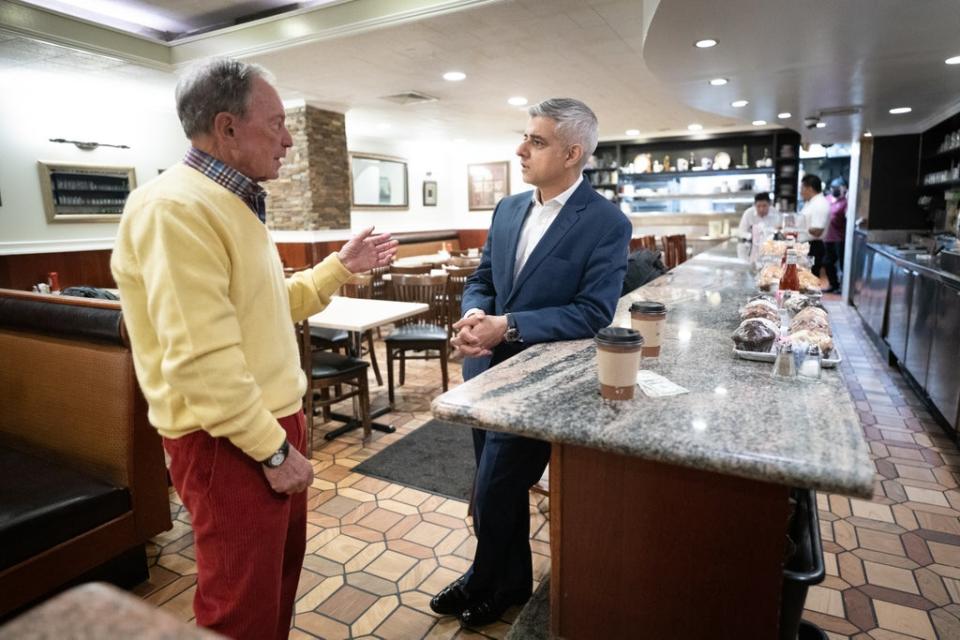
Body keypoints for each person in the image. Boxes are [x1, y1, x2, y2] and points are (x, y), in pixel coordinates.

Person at [110, 58, 397, 640]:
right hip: (228, 440)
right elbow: (200, 361)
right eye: (276, 122)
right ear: (227, 127)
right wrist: (271, 451)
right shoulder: (176, 208)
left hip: (261, 425)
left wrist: (339, 266)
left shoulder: (230, 201)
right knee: (240, 605)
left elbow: (267, 305)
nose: (289, 138)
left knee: (274, 588)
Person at [429, 98, 632, 628]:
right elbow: (485, 279)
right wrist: (476, 312)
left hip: (542, 384)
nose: (520, 149)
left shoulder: (607, 223)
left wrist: (509, 325)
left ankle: (483, 576)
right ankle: (512, 578)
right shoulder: (507, 209)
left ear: (572, 152)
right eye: (524, 136)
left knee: (494, 486)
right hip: (484, 372)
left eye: (536, 141)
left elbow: (592, 313)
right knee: (497, 484)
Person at [800, 174, 830, 280]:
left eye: (802, 188)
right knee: (804, 279)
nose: (801, 192)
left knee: (809, 280)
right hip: (807, 246)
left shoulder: (820, 203)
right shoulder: (810, 202)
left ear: (809, 188)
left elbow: (818, 231)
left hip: (813, 247)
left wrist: (797, 229)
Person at [824, 178, 848, 293]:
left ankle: (842, 288)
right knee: (828, 263)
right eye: (833, 188)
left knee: (842, 264)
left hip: (840, 239)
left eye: (837, 188)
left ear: (844, 189)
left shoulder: (846, 202)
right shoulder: (827, 199)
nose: (835, 190)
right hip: (827, 237)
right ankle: (833, 284)